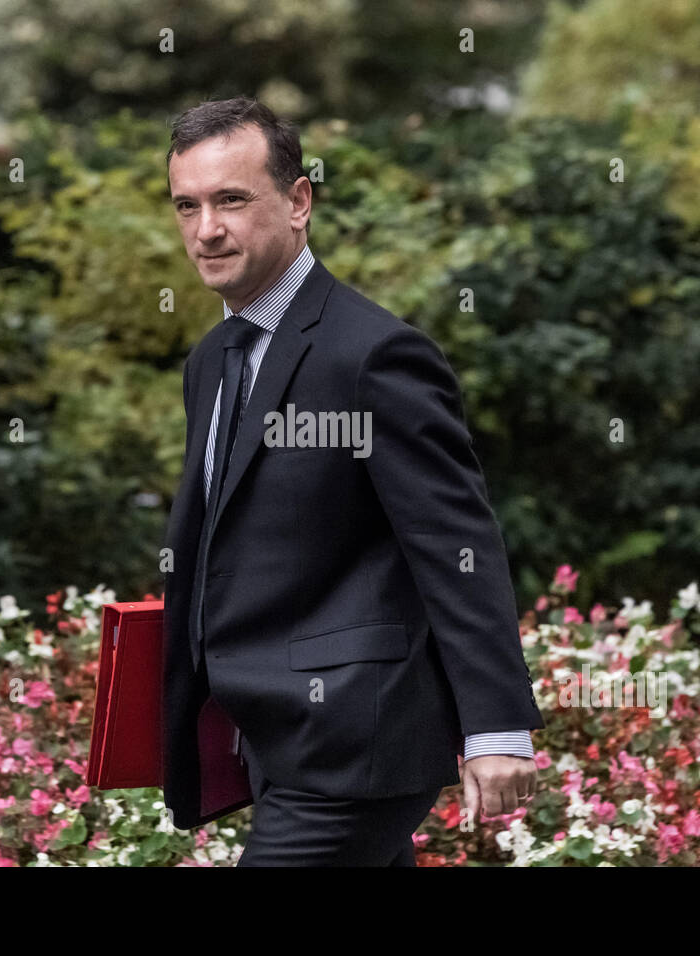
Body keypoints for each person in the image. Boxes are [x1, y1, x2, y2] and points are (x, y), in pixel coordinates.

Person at [160, 96, 544, 866]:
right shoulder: (211, 361)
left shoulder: (373, 355)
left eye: (232, 200)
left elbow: (455, 542)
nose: (207, 229)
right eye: (188, 206)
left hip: (353, 744)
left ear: (298, 201)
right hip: (270, 735)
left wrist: (497, 726)